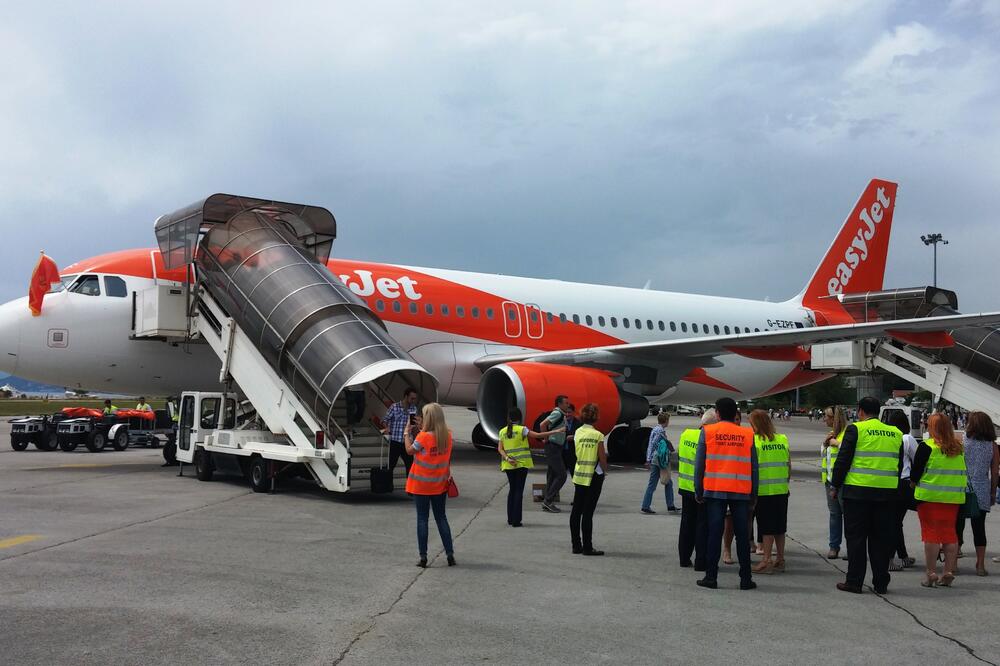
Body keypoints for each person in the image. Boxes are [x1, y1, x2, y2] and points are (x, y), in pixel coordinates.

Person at [830, 396, 903, 594]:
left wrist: (835, 485)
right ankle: (881, 583)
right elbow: (899, 464)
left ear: (860, 411)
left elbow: (843, 460)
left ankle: (854, 581)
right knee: (880, 540)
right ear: (878, 411)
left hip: (858, 493)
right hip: (887, 494)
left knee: (856, 539)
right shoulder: (895, 433)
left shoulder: (856, 429)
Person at [695, 397, 759, 591]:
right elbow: (754, 468)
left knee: (715, 534)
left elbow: (700, 465)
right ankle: (745, 579)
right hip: (740, 491)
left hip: (715, 490)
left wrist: (699, 489)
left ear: (718, 413)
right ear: (735, 414)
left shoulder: (708, 432)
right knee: (742, 535)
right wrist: (753, 494)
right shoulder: (747, 434)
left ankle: (711, 577)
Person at [910, 413, 967, 587]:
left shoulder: (927, 447)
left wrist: (913, 485)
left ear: (931, 427)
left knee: (931, 535)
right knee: (950, 535)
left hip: (929, 499)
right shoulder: (958, 447)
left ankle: (931, 573)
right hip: (953, 499)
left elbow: (915, 473)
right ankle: (948, 571)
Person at [404, 402, 455, 568]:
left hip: (421, 485)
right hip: (439, 484)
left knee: (422, 519)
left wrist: (407, 433)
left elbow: (410, 451)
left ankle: (423, 556)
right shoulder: (447, 435)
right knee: (441, 518)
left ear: (428, 418)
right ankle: (450, 554)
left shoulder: (423, 437)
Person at [498, 408, 564, 527]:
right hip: (521, 464)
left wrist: (507, 459)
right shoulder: (522, 430)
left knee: (512, 491)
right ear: (519, 418)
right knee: (518, 491)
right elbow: (538, 435)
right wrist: (556, 431)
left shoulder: (502, 431)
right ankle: (516, 520)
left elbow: (500, 449)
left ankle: (510, 518)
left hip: (508, 465)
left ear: (509, 418)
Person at [956, 411, 999, 576]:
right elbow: (994, 472)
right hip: (981, 489)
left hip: (961, 487)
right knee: (979, 528)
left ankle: (953, 563)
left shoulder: (961, 442)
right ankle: (980, 565)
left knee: (957, 525)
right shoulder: (992, 446)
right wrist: (993, 493)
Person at [750, 410, 790, 574]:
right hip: (781, 489)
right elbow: (788, 464)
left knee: (766, 527)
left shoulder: (756, 441)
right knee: (780, 526)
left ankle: (766, 560)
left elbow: (752, 468)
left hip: (764, 490)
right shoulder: (782, 439)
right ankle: (780, 559)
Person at [677, 409, 716, 570]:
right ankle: (701, 562)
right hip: (702, 488)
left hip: (685, 487)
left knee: (686, 524)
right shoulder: (709, 438)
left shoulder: (686, 434)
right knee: (702, 526)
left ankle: (684, 558)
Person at [569, 403, 609, 556]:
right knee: (588, 513)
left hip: (579, 475)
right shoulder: (598, 435)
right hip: (593, 476)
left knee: (576, 511)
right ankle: (587, 546)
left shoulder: (578, 432)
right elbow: (602, 457)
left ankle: (576, 545)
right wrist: (605, 471)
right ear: (596, 418)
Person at [886, 411, 918, 571]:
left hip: (890, 482)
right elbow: (918, 459)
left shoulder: (889, 437)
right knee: (895, 523)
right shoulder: (907, 438)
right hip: (904, 484)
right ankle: (890, 559)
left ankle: (903, 556)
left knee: (895, 522)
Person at [821, 406, 848, 559]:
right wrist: (825, 444)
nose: (824, 419)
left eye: (826, 416)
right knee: (834, 514)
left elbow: (851, 451)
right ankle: (834, 546)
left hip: (843, 482)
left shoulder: (846, 435)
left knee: (848, 515)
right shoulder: (831, 434)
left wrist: (837, 443)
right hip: (830, 481)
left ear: (833, 418)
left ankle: (851, 548)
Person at [641, 412, 677, 514]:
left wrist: (649, 458)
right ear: (666, 421)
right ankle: (669, 505)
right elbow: (653, 445)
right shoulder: (660, 431)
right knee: (666, 482)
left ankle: (647, 505)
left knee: (659, 483)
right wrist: (649, 459)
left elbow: (650, 445)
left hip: (654, 460)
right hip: (659, 460)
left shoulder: (655, 429)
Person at [541, 395, 571, 513]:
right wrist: (546, 437)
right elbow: (543, 425)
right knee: (562, 475)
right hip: (553, 447)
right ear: (559, 404)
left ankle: (548, 501)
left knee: (552, 474)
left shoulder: (562, 415)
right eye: (566, 403)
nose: (568, 405)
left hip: (556, 447)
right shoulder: (557, 413)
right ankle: (548, 501)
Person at [382, 387, 419, 475]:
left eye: (415, 398)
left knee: (410, 466)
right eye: (412, 398)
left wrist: (415, 439)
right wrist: (387, 428)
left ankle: (410, 487)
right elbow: (384, 420)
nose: (413, 400)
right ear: (406, 396)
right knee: (391, 465)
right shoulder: (394, 407)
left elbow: (413, 426)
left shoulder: (413, 409)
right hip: (395, 441)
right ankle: (388, 486)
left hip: (407, 443)